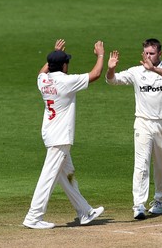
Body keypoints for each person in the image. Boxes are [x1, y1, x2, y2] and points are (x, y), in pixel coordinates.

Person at [23, 39, 105, 229]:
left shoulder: (43, 80)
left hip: (51, 134)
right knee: (48, 177)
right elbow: (96, 74)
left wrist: (54, 53)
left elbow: (41, 72)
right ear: (64, 65)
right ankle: (33, 217)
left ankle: (85, 211)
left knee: (67, 175)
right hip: (60, 137)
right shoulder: (66, 82)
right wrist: (100, 54)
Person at [106, 38, 162, 219]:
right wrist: (111, 68)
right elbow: (112, 81)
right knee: (141, 164)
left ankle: (161, 201)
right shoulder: (136, 71)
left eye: (151, 53)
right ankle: (138, 205)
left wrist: (153, 69)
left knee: (161, 165)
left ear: (159, 54)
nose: (147, 56)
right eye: (145, 53)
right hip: (143, 122)